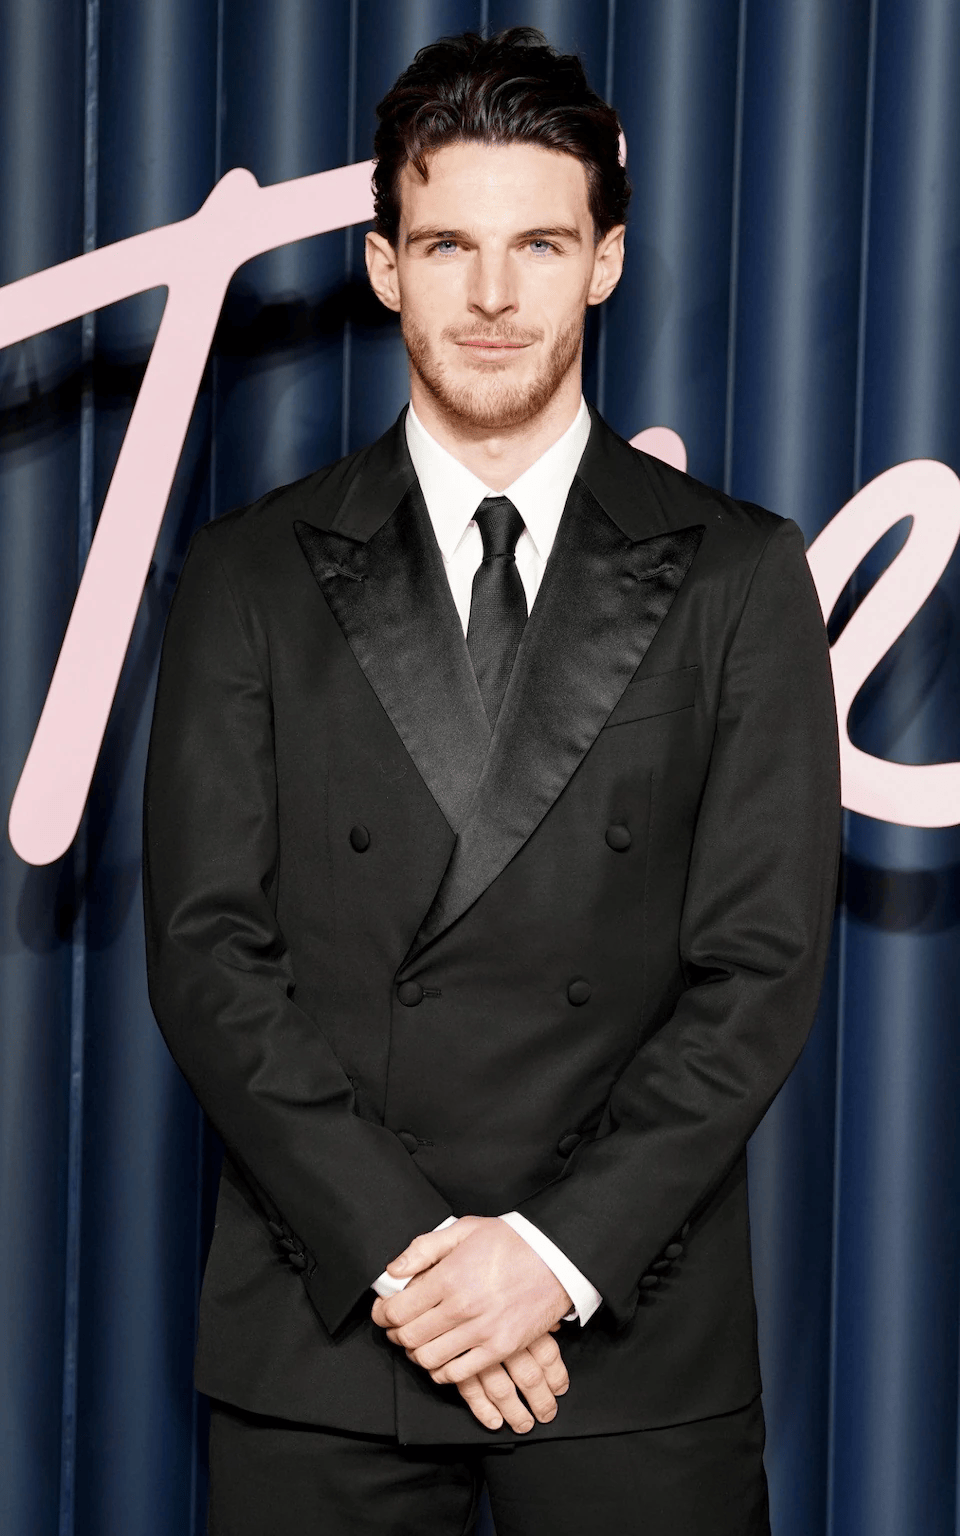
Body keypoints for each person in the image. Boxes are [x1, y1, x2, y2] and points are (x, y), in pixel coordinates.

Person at [143, 26, 840, 1536]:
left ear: (606, 263)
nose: (494, 294)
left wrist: (553, 1259)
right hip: (328, 1336)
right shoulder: (249, 573)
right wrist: (414, 1261)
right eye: (448, 244)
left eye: (540, 243)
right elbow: (207, 953)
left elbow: (761, 966)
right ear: (385, 268)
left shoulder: (740, 573)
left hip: (627, 1339)